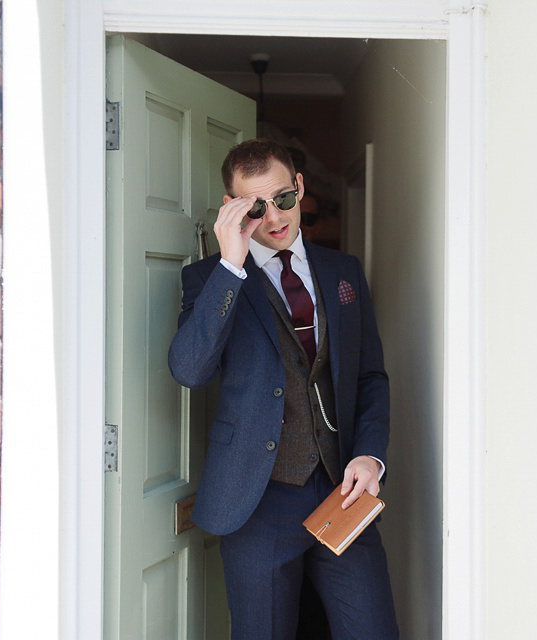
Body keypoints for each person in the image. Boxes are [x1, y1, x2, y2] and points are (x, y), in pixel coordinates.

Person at [168, 138, 398, 639]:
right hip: (256, 500)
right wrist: (230, 265)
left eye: (283, 199)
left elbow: (369, 377)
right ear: (233, 209)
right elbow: (189, 370)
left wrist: (370, 456)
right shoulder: (208, 279)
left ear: (299, 187)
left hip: (343, 489)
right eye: (255, 207)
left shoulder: (344, 272)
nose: (273, 218)